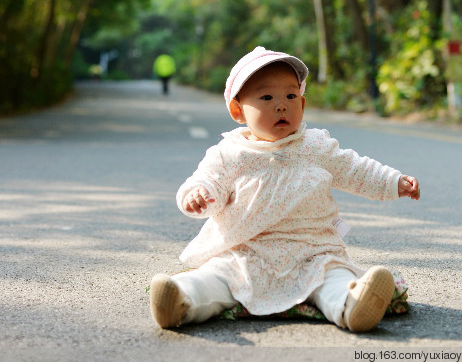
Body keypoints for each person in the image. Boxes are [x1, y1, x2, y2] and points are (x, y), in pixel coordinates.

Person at [149, 46, 420, 333]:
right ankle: (179, 299)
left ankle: (352, 304)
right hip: (246, 251)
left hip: (313, 252)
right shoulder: (229, 154)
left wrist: (393, 182)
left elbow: (355, 169)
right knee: (216, 279)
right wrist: (198, 195)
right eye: (267, 97)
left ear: (302, 105)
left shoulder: (316, 147)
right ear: (238, 110)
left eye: (291, 96)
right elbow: (207, 181)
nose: (281, 105)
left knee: (332, 278)